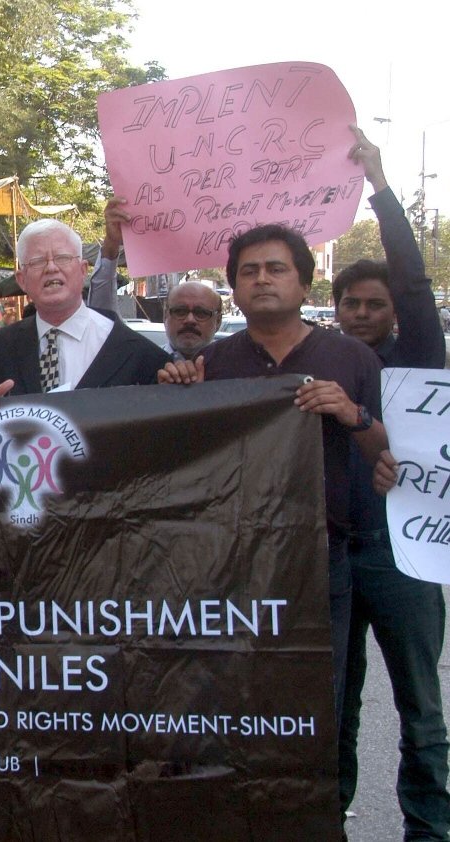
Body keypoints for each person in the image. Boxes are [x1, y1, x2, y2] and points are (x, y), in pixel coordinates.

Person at [158, 223, 389, 773]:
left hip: (319, 557)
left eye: (276, 268)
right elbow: (176, 463)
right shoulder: (210, 367)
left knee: (316, 706)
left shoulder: (353, 360)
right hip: (228, 563)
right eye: (249, 271)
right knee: (229, 701)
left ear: (305, 284)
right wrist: (169, 401)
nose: (262, 279)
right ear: (234, 290)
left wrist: (349, 412)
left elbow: (391, 455)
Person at [331, 127, 450, 841]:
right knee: (336, 708)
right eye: (352, 304)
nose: (364, 313)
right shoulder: (319, 361)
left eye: (376, 304)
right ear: (338, 308)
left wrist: (378, 184)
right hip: (338, 556)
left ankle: (430, 830)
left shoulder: (418, 355)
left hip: (404, 557)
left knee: (422, 708)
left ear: (394, 311)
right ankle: (329, 822)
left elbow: (411, 274)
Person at [0, 219, 170, 424]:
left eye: (62, 258)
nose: (51, 268)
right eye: (38, 261)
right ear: (22, 280)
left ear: (83, 270)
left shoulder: (140, 354)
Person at [162, 282, 224, 361]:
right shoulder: (145, 363)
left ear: (218, 321)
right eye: (180, 311)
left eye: (201, 313)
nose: (189, 320)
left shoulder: (234, 367)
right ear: (165, 317)